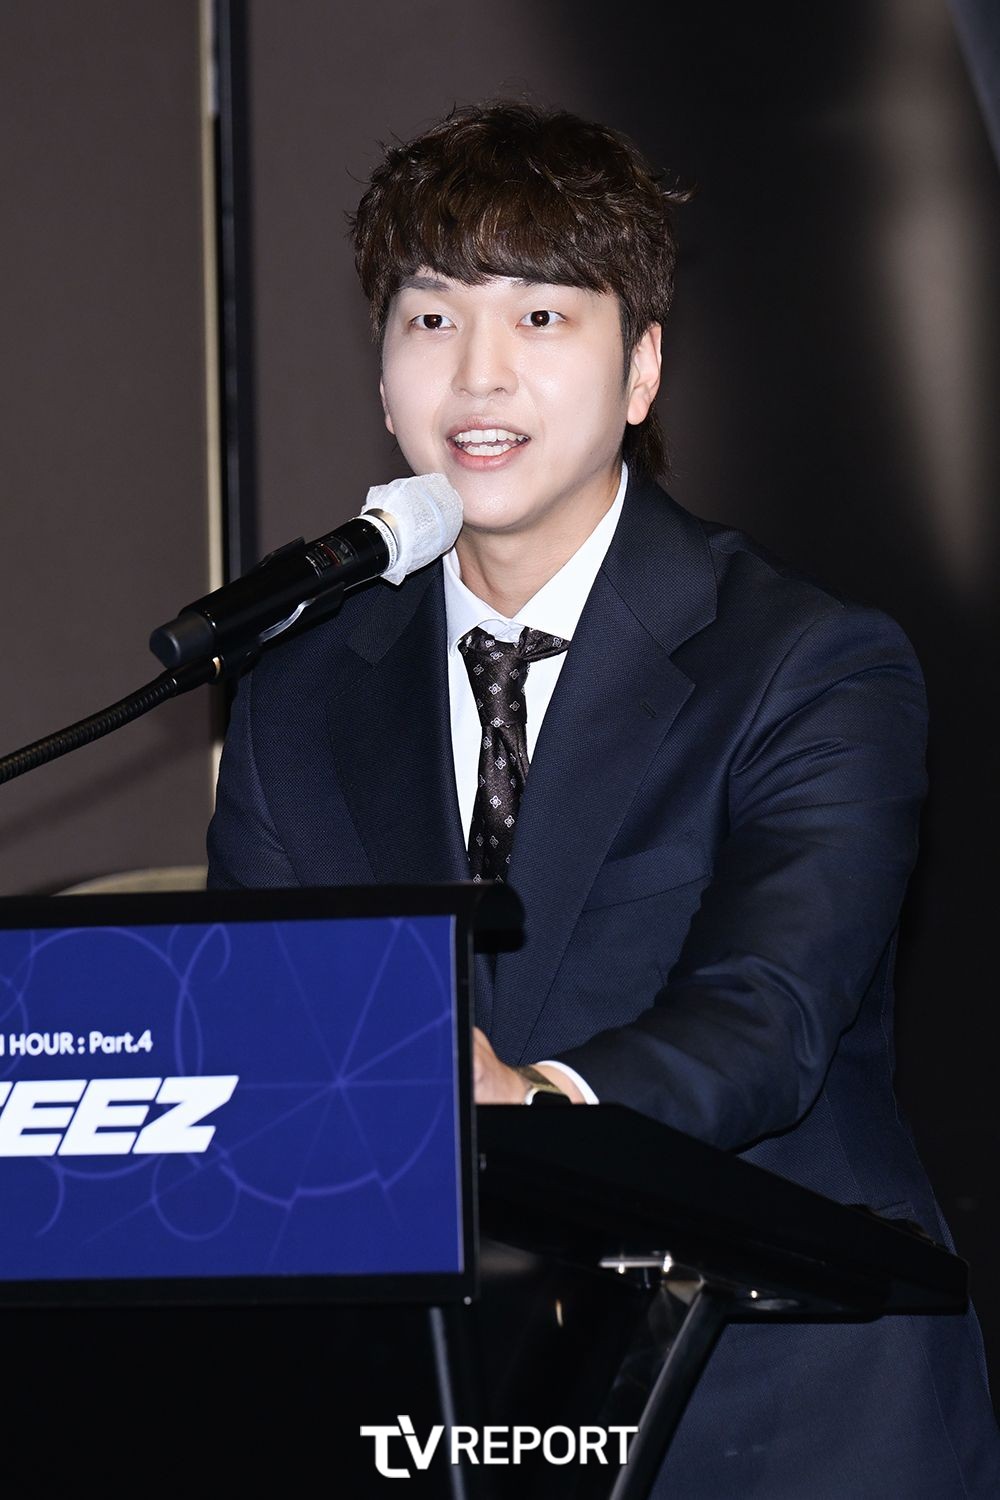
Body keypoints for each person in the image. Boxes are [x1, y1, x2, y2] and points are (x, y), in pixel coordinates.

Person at [207, 100, 999, 1496]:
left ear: (642, 370)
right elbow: (267, 1026)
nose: (479, 374)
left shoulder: (808, 662)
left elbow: (771, 1012)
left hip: (775, 1405)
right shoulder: (301, 694)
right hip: (440, 1419)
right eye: (432, 319)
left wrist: (535, 1103)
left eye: (540, 318)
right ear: (385, 379)